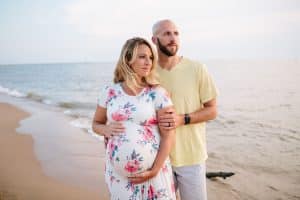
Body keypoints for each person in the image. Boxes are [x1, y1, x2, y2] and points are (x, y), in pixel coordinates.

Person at [92, 37, 176, 199]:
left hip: (155, 172)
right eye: (142, 56)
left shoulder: (158, 93)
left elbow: (169, 135)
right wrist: (105, 129)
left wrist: (155, 170)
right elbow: (96, 123)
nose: (148, 62)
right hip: (119, 177)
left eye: (151, 57)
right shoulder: (109, 92)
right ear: (128, 59)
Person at [151, 19, 218, 200]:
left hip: (192, 157)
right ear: (154, 40)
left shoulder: (197, 69)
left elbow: (212, 110)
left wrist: (182, 119)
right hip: (158, 158)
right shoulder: (147, 72)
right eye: (166, 34)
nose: (173, 38)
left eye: (176, 33)